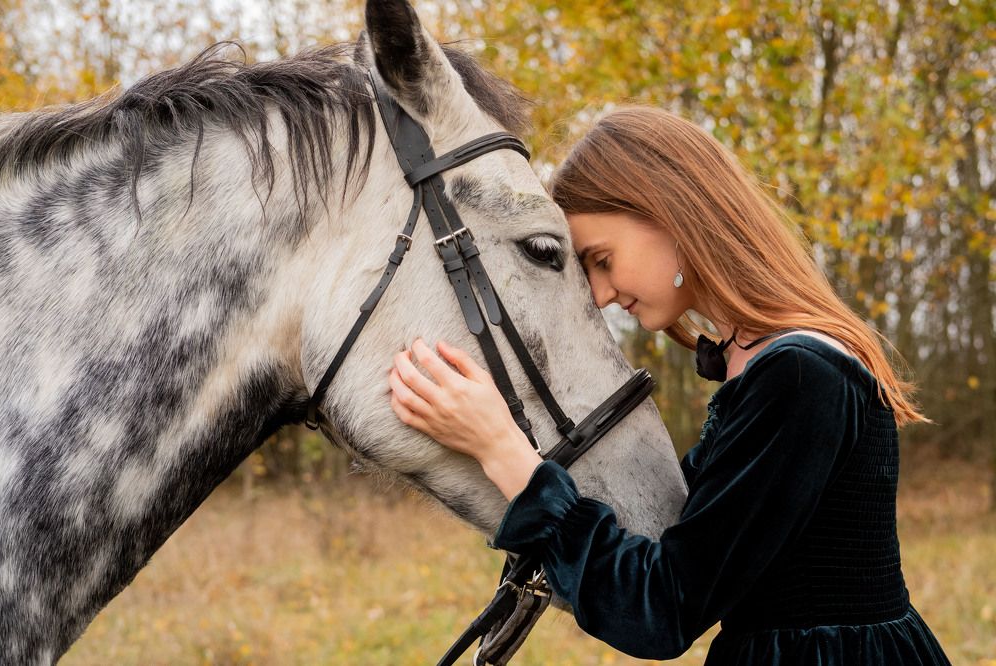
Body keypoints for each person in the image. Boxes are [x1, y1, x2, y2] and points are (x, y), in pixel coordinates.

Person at [387, 106, 951, 664]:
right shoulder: (772, 362)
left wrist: (502, 450)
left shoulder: (797, 374)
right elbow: (671, 546)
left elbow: (661, 608)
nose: (602, 294)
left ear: (669, 213)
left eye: (602, 260)